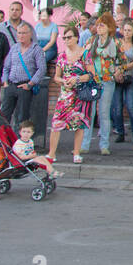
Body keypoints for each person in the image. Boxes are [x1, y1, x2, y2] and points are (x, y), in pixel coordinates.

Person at [46, 28, 92, 164]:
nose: (66, 40)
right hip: (65, 94)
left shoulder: (85, 54)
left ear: (77, 38)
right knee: (56, 123)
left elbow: (91, 74)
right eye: (64, 38)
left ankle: (77, 153)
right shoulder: (62, 56)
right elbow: (56, 77)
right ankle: (51, 153)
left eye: (69, 37)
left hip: (80, 93)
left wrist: (77, 79)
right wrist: (63, 81)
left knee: (79, 123)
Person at [77, 13, 119, 156]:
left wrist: (117, 71)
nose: (99, 28)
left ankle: (104, 145)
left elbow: (116, 57)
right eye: (98, 25)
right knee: (89, 112)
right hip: (92, 80)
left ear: (109, 27)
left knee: (104, 113)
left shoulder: (113, 42)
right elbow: (83, 55)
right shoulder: (92, 40)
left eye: (102, 25)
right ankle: (84, 144)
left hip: (107, 80)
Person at [0, 22, 45, 130]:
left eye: (24, 33)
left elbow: (42, 69)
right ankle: (3, 141)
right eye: (19, 33)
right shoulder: (14, 48)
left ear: (30, 34)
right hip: (11, 85)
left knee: (22, 117)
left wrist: (30, 84)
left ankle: (20, 142)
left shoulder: (36, 49)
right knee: (4, 115)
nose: (21, 35)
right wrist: (5, 82)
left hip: (25, 86)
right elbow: (6, 67)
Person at [111, 20, 133, 144]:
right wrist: (116, 72)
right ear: (122, 31)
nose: (127, 33)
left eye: (130, 30)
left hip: (130, 78)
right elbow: (112, 59)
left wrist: (122, 68)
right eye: (125, 30)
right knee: (117, 107)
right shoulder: (117, 43)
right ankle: (120, 132)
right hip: (118, 77)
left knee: (131, 106)